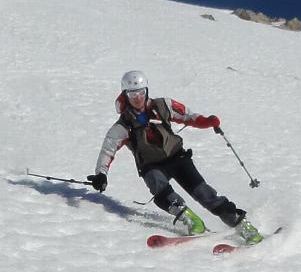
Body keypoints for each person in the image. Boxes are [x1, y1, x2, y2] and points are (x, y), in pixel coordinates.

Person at [88, 70, 263, 242]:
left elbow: (187, 115)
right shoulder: (122, 126)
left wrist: (206, 121)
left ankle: (241, 224)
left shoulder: (163, 105)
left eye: (141, 92)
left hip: (177, 158)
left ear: (146, 91)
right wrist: (101, 174)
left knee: (204, 193)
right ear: (125, 95)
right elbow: (108, 150)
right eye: (133, 94)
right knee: (161, 191)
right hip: (151, 166)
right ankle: (190, 219)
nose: (138, 98)